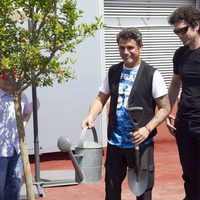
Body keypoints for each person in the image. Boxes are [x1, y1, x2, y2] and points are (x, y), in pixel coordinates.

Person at [81, 27, 170, 200]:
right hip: (115, 143)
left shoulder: (152, 74)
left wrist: (147, 129)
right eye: (122, 48)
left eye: (130, 48)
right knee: (112, 189)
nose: (125, 52)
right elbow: (100, 98)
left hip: (141, 144)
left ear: (140, 47)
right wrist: (91, 115)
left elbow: (165, 108)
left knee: (143, 191)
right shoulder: (114, 71)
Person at [167, 6, 200, 200]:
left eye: (182, 30)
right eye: (176, 31)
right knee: (190, 174)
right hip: (185, 124)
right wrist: (167, 111)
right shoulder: (180, 54)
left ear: (196, 25)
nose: (179, 34)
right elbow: (175, 84)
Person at [0, 73, 32, 200]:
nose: (9, 80)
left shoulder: (20, 95)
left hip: (17, 150)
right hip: (0, 152)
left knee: (14, 189)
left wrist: (22, 127)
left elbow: (27, 112)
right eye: (4, 77)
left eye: (12, 77)